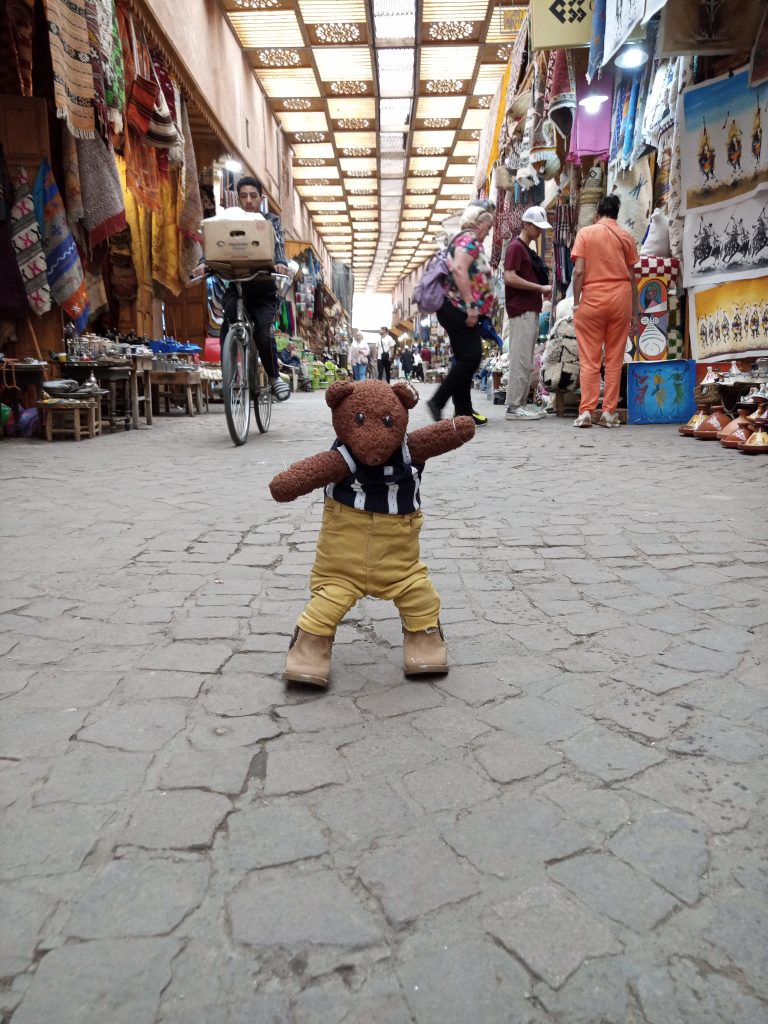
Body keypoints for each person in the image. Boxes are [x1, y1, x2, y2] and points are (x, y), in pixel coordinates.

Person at [210, 176, 292, 402]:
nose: (248, 201)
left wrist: (281, 263)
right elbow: (213, 242)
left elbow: (279, 246)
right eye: (243, 196)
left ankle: (274, 377)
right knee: (227, 321)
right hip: (236, 287)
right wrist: (202, 264)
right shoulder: (228, 220)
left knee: (263, 333)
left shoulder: (270, 221)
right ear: (238, 198)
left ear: (261, 198)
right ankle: (230, 374)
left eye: (253, 196)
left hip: (263, 287)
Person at [571, 194, 639, 428]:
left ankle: (587, 411)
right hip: (621, 299)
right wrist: (635, 312)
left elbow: (578, 272)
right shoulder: (626, 236)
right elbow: (632, 277)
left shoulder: (586, 233)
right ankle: (609, 413)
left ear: (597, 213)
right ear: (616, 215)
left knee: (589, 359)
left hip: (592, 299)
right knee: (614, 359)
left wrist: (576, 301)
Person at [427, 204, 495, 425]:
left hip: (453, 307)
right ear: (476, 223)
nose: (488, 231)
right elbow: (459, 269)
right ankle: (438, 400)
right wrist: (471, 305)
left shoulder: (461, 239)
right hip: (458, 307)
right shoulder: (470, 239)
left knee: (464, 357)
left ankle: (464, 410)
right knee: (471, 356)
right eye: (487, 226)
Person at [503, 206, 553, 422]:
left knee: (525, 360)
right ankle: (514, 406)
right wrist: (539, 288)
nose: (539, 232)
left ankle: (520, 404)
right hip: (521, 310)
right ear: (526, 224)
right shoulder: (516, 248)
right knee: (520, 360)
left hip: (529, 310)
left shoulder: (524, 249)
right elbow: (509, 277)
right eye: (537, 227)